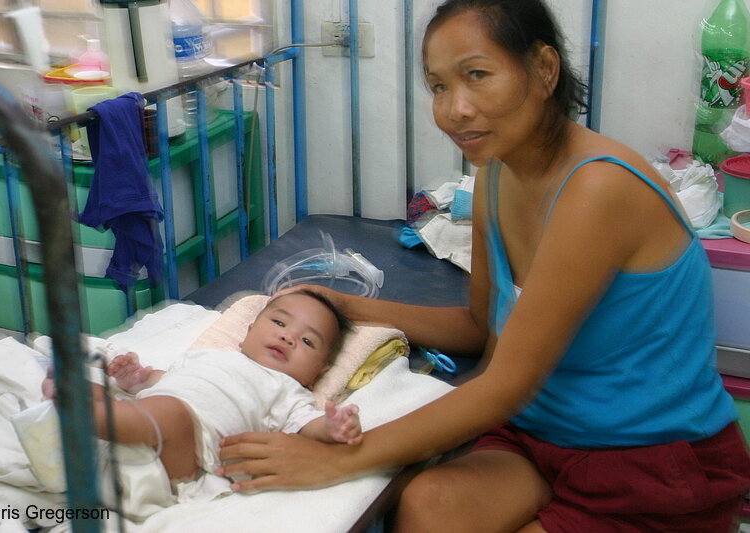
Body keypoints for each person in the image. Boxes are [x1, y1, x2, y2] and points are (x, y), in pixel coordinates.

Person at [216, 1, 750, 531]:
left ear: (543, 70)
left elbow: (507, 381)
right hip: (536, 437)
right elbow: (481, 327)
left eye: (476, 75)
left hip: (645, 460)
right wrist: (341, 303)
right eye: (439, 86)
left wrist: (337, 458)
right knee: (429, 507)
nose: (455, 109)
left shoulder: (598, 188)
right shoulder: (497, 175)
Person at [42, 289, 362, 487]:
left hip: (186, 452)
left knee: (172, 414)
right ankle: (86, 396)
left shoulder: (289, 391)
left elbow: (307, 428)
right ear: (248, 331)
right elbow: (164, 381)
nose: (287, 336)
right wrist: (137, 379)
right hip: (146, 417)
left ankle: (86, 412)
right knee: (151, 403)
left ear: (319, 372)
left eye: (307, 341)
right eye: (279, 322)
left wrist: (332, 427)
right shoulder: (207, 355)